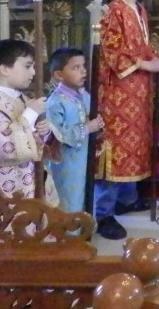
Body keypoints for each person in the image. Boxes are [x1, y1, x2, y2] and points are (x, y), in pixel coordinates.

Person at [94, 0, 159, 239]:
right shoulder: (112, 12)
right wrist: (147, 64)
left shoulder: (139, 9)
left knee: (134, 145)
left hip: (138, 92)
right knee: (115, 148)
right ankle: (103, 213)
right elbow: (112, 52)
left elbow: (142, 46)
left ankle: (127, 199)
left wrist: (156, 59)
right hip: (117, 93)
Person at [0, 39, 58, 204]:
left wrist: (43, 130)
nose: (33, 72)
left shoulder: (21, 99)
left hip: (27, 178)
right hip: (2, 183)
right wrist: (30, 114)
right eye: (27, 66)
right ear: (5, 68)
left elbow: (34, 141)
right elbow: (1, 147)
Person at [44, 47, 104, 213]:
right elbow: (58, 134)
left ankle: (84, 224)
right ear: (59, 75)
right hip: (66, 161)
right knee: (69, 196)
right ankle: (69, 228)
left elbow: (91, 118)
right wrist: (88, 128)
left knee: (85, 193)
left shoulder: (84, 95)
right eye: (76, 67)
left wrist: (98, 126)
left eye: (83, 66)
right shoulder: (55, 102)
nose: (83, 71)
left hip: (84, 156)